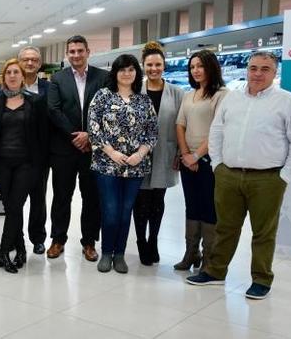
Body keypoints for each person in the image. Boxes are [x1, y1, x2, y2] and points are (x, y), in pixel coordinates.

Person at [187, 51, 291, 300]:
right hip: (228, 175)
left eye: (265, 69)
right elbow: (217, 132)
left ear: (274, 73)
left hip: (267, 179)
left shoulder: (289, 102)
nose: (257, 73)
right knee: (225, 228)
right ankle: (215, 271)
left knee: (263, 232)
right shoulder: (232, 99)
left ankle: (261, 279)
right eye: (253, 68)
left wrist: (284, 176)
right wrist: (218, 165)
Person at [88, 54, 158, 274]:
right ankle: (107, 252)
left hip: (135, 166)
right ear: (115, 73)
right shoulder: (103, 96)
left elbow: (152, 131)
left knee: (126, 211)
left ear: (137, 73)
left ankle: (120, 254)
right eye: (122, 70)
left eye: (131, 69)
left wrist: (141, 153)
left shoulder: (144, 100)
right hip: (106, 165)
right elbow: (93, 126)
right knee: (110, 210)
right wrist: (111, 152)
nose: (127, 74)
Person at [46, 35, 108, 261]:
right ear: (67, 54)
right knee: (62, 196)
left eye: (80, 51)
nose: (76, 55)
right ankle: (57, 239)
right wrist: (76, 135)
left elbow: (107, 110)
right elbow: (54, 110)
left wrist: (90, 135)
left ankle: (90, 242)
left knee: (92, 197)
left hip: (94, 150)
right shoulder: (58, 79)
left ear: (88, 52)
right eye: (71, 51)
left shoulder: (103, 77)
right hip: (64, 149)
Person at [0, 59, 48, 273]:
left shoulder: (36, 102)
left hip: (27, 163)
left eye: (16, 72)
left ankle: (3, 252)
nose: (12, 76)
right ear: (3, 78)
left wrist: (41, 165)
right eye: (9, 73)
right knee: (11, 208)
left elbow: (43, 135)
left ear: (23, 77)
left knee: (15, 205)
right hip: (2, 163)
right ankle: (21, 249)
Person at [173, 50, 228, 272]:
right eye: (192, 66)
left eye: (200, 66)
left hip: (209, 161)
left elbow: (218, 129)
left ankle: (209, 258)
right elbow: (180, 125)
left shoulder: (222, 95)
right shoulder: (189, 95)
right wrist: (185, 154)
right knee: (191, 206)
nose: (196, 70)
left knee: (208, 208)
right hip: (188, 160)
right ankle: (191, 252)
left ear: (211, 67)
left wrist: (197, 156)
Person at [133, 42, 184, 266]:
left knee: (157, 200)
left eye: (158, 64)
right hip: (138, 155)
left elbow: (183, 125)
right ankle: (141, 241)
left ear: (164, 65)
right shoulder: (135, 91)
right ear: (143, 66)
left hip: (165, 151)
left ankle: (153, 239)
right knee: (140, 201)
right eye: (149, 65)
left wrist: (181, 153)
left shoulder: (176, 93)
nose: (154, 68)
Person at [18, 45, 51, 254]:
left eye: (34, 60)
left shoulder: (50, 88)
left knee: (38, 198)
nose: (30, 63)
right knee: (15, 200)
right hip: (14, 154)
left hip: (40, 154)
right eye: (26, 59)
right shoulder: (9, 86)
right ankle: (15, 237)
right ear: (19, 61)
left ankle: (38, 238)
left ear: (39, 64)